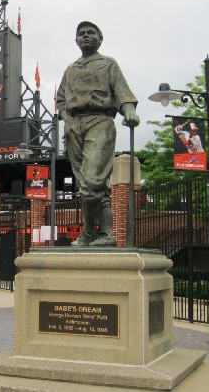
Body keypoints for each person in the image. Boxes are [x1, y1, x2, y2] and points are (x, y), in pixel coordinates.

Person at [56, 21, 140, 247]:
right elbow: (61, 100)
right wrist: (66, 118)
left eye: (90, 33)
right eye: (81, 34)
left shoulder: (108, 64)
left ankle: (87, 232)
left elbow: (121, 90)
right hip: (74, 124)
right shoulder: (71, 69)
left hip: (100, 120)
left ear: (99, 39)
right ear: (76, 40)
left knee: (92, 181)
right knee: (89, 185)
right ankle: (107, 234)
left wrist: (129, 108)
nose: (85, 36)